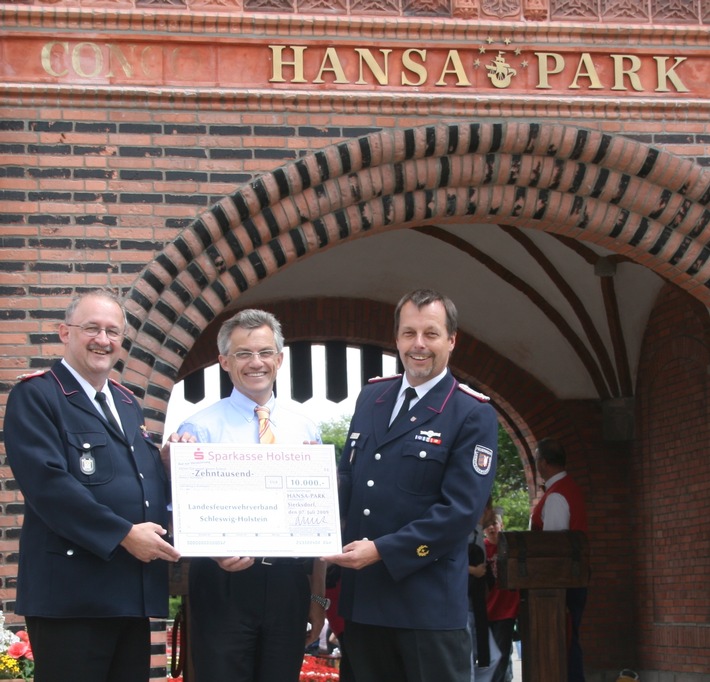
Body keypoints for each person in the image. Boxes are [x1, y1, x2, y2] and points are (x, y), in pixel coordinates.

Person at [4, 289, 191, 682]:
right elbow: (48, 486)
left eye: (113, 331)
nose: (103, 340)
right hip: (72, 597)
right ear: (64, 332)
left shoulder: (125, 402)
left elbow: (136, 481)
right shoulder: (37, 395)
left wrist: (168, 466)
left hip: (129, 592)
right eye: (92, 328)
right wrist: (123, 533)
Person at [324, 288, 498, 682]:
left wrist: (382, 551)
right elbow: (348, 482)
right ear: (397, 338)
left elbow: (460, 513)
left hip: (427, 608)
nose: (418, 345)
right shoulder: (371, 398)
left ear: (452, 341)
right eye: (408, 333)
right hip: (364, 602)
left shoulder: (471, 413)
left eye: (431, 334)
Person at [176, 308, 327, 682]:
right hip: (222, 583)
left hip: (289, 583)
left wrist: (317, 596)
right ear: (225, 361)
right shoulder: (197, 429)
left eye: (264, 352)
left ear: (279, 358)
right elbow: (182, 517)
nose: (255, 363)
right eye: (243, 354)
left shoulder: (306, 429)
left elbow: (320, 523)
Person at [530, 437, 589, 682]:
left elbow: (552, 549)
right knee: (567, 639)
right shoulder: (567, 488)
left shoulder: (556, 496)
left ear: (542, 463)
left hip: (560, 584)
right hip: (572, 579)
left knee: (562, 642)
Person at [484, 514, 520, 682]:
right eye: (488, 525)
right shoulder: (480, 548)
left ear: (502, 525)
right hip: (486, 609)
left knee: (501, 653)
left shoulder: (511, 547)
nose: (492, 528)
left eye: (494, 524)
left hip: (507, 608)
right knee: (491, 654)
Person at [468, 503, 502, 682]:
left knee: (491, 657)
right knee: (467, 663)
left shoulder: (477, 532)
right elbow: (446, 560)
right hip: (464, 604)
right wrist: (473, 571)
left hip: (476, 605)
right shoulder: (466, 532)